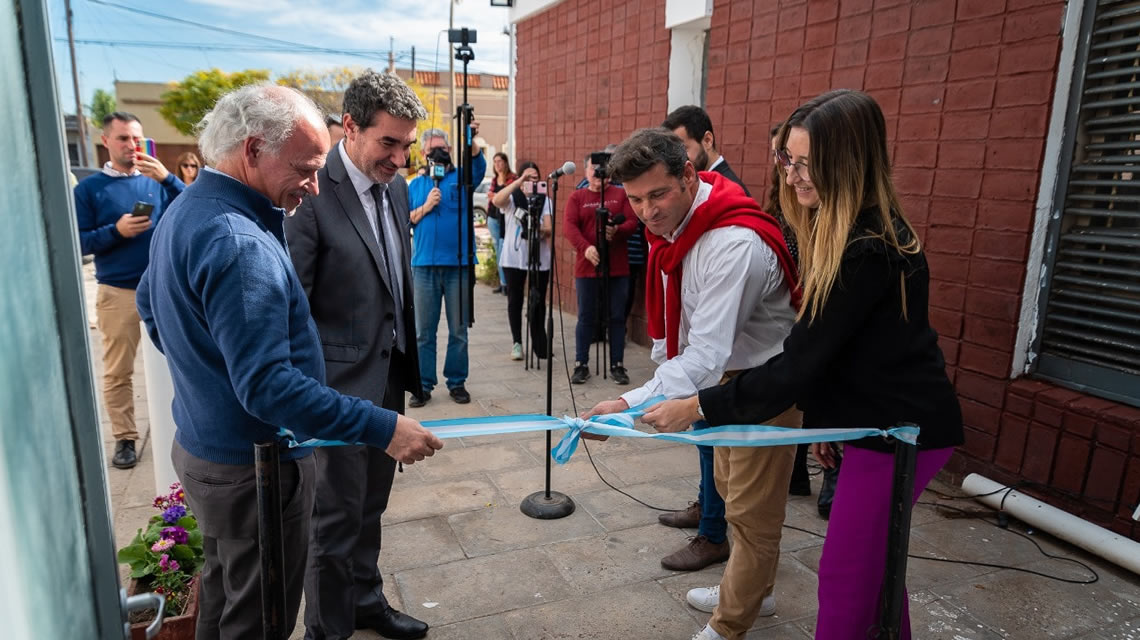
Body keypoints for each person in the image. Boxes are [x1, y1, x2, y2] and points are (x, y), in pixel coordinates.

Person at [643, 90, 965, 640]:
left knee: (844, 578)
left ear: (849, 162)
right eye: (787, 160)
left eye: (807, 163)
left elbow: (799, 364)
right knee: (877, 574)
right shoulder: (839, 231)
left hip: (900, 433)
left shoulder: (867, 248)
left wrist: (698, 406)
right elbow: (842, 354)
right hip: (871, 425)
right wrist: (829, 422)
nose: (792, 176)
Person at [136, 84, 443, 640]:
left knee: (227, 601)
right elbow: (268, 385)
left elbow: (151, 305)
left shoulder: (191, 207)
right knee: (258, 618)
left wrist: (207, 371)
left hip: (217, 447)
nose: (314, 184)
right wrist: (379, 426)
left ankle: (363, 601)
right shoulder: (239, 240)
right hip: (254, 463)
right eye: (304, 167)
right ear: (252, 150)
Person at [583, 128, 801, 640]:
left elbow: (705, 354)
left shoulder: (732, 243)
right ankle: (754, 592)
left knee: (753, 510)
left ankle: (728, 626)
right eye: (635, 200)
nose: (648, 212)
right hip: (726, 376)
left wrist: (625, 403)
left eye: (658, 194)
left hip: (763, 382)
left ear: (688, 174)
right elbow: (678, 330)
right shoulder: (677, 230)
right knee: (728, 490)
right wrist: (656, 383)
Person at [285, 71, 430, 640]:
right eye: (388, 142)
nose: (399, 157)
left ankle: (365, 601)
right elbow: (292, 304)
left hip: (387, 377)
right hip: (336, 388)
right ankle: (327, 629)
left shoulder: (393, 186)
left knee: (371, 507)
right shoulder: (310, 195)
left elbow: (393, 277)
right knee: (334, 523)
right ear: (350, 126)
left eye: (407, 144)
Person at [650, 106, 752, 555]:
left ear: (705, 144)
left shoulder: (727, 197)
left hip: (730, 360)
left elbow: (714, 342)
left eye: (682, 148)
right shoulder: (686, 199)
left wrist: (636, 399)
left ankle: (713, 530)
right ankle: (706, 506)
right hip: (700, 347)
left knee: (712, 439)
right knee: (705, 445)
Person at [74, 111, 185, 470]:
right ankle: (125, 438)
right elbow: (77, 242)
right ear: (105, 141)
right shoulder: (90, 189)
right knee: (118, 371)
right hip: (118, 292)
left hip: (160, 289)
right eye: (123, 138)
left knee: (180, 361)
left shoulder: (156, 181)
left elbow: (190, 208)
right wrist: (116, 231)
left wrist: (168, 178)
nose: (131, 146)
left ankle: (181, 427)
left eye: (136, 138)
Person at [407, 127, 487, 407]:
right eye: (432, 150)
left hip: (458, 267)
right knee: (422, 332)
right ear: (423, 153)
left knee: (459, 330)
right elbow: (405, 220)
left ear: (451, 150)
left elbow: (479, 164)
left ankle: (457, 382)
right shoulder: (415, 185)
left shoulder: (462, 179)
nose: (438, 154)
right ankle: (423, 384)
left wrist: (471, 139)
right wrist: (426, 206)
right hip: (424, 267)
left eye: (443, 148)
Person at [564, 152, 639, 385]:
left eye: (602, 170)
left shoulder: (620, 193)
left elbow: (632, 221)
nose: (598, 175)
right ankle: (581, 363)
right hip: (587, 267)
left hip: (617, 267)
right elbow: (570, 226)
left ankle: (617, 363)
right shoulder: (578, 197)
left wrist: (617, 231)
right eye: (594, 170)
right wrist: (585, 248)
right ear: (586, 172)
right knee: (586, 316)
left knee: (617, 316)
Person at [490, 161, 552, 361]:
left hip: (538, 257)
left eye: (535, 178)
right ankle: (517, 342)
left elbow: (549, 229)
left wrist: (537, 229)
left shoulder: (544, 200)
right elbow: (497, 201)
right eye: (527, 178)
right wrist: (518, 183)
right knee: (514, 300)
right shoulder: (513, 198)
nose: (531, 182)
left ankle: (539, 343)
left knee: (538, 300)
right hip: (513, 257)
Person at [663, 105, 750, 196]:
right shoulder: (710, 184)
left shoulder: (728, 191)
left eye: (682, 149)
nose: (678, 160)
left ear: (707, 140)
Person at [487, 152, 515, 294]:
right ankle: (502, 283)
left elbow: (506, 197)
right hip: (493, 218)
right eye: (495, 162)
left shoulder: (512, 179)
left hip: (506, 220)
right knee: (498, 250)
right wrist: (496, 197)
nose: (497, 164)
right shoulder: (494, 180)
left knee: (505, 249)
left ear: (505, 162)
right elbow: (492, 197)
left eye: (499, 161)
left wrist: (496, 197)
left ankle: (508, 284)